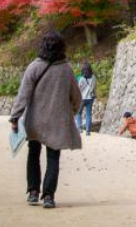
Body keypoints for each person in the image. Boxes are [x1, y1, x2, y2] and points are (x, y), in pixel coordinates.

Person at [10, 31, 82, 209]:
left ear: (43, 46)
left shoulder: (34, 67)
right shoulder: (66, 69)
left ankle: (33, 192)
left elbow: (23, 95)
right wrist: (70, 112)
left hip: (35, 120)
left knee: (33, 154)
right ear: (61, 48)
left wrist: (15, 116)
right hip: (57, 121)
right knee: (53, 157)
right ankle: (48, 196)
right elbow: (77, 97)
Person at [76, 63, 96, 135]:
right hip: (90, 98)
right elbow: (94, 87)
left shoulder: (80, 78)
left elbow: (77, 89)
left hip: (81, 98)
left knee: (78, 113)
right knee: (88, 114)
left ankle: (79, 128)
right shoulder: (93, 77)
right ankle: (88, 131)